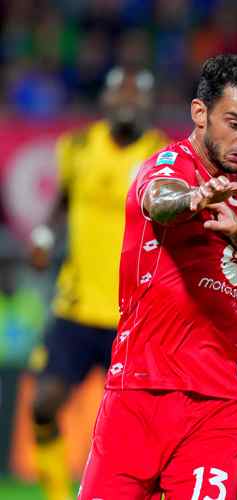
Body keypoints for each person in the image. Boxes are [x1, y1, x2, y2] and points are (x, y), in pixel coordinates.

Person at [77, 54, 237, 500]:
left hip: (218, 406)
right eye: (234, 123)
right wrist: (195, 198)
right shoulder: (167, 167)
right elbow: (159, 201)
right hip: (137, 393)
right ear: (199, 113)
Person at [27, 66, 168, 500]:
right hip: (75, 307)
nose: (127, 102)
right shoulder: (77, 147)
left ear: (149, 102)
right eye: (119, 94)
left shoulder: (161, 155)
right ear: (104, 100)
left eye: (136, 95)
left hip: (134, 317)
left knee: (146, 429)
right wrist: (45, 237)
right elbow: (63, 200)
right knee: (43, 405)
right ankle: (56, 494)